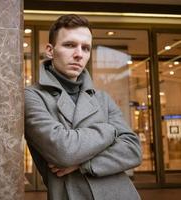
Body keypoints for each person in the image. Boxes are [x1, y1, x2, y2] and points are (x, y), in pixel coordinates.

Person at [24, 14, 142, 200]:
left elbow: (133, 149)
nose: (79, 54)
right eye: (69, 45)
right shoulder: (32, 96)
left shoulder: (102, 98)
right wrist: (109, 130)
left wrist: (84, 164)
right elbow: (64, 151)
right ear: (50, 50)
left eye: (85, 48)